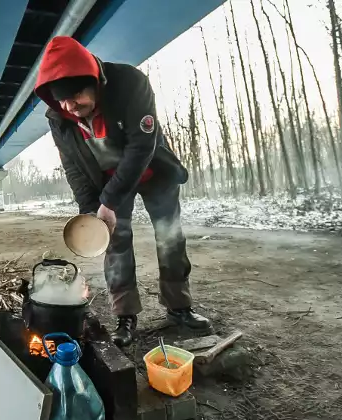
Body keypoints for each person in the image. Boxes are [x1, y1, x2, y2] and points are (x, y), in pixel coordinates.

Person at [34, 36, 212, 347]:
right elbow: (73, 166)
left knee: (170, 236)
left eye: (75, 95)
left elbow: (141, 146)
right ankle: (125, 316)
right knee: (115, 243)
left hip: (152, 171)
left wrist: (110, 200)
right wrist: (90, 210)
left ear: (93, 81)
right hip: (108, 183)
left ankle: (179, 307)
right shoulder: (59, 118)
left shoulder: (130, 83)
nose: (70, 106)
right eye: (62, 101)